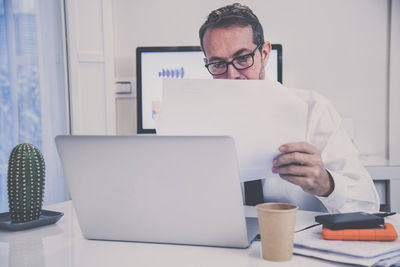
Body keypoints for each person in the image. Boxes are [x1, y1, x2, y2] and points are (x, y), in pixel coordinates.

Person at [198, 3, 379, 213]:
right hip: (220, 242)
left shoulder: (314, 110)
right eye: (218, 63)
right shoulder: (195, 123)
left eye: (242, 58)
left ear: (264, 53)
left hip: (298, 241)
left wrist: (327, 184)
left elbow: (369, 206)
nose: (232, 76)